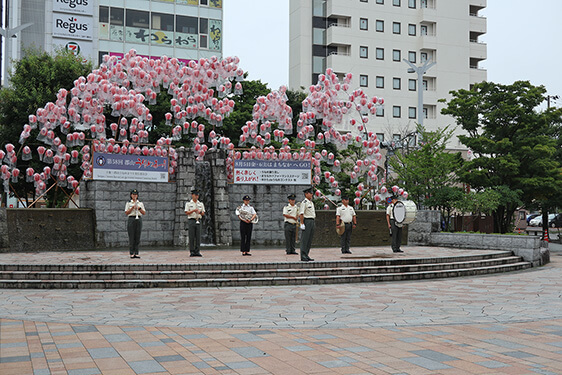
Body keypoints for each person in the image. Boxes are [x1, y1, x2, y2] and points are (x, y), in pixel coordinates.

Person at [124, 189, 146, 259]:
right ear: (131, 195)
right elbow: (126, 213)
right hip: (131, 219)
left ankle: (136, 253)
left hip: (138, 219)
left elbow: (144, 213)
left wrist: (139, 208)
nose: (134, 196)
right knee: (131, 236)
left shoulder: (140, 203)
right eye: (133, 194)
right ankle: (131, 253)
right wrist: (132, 208)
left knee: (137, 236)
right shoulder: (128, 203)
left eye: (136, 195)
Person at [185, 188, 205, 257]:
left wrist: (200, 212)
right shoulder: (188, 203)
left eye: (197, 195)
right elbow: (186, 212)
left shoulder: (201, 204)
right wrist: (193, 211)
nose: (196, 196)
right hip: (192, 220)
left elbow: (203, 213)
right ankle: (192, 251)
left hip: (198, 220)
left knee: (198, 236)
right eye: (195, 195)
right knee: (191, 236)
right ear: (192, 195)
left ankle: (197, 251)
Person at [299, 187, 316, 262]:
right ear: (306, 194)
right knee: (305, 239)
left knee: (309, 239)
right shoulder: (304, 203)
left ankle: (306, 254)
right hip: (307, 221)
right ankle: (303, 255)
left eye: (312, 193)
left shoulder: (311, 203)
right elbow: (301, 214)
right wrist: (302, 223)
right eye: (310, 193)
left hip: (312, 221)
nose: (312, 194)